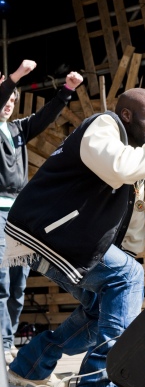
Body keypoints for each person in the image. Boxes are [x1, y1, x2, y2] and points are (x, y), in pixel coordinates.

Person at [2, 88, 145, 387]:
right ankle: (101, 384)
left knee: (99, 310)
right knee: (127, 276)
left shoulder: (128, 143)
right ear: (127, 115)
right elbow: (122, 167)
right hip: (42, 233)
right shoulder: (103, 125)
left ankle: (30, 366)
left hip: (50, 236)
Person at [0, 59, 83, 366]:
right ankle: (2, 342)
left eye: (13, 100)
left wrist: (67, 91)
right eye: (5, 98)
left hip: (19, 217)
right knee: (1, 282)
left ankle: (7, 340)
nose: (9, 104)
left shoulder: (17, 130)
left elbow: (45, 117)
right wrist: (17, 76)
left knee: (19, 283)